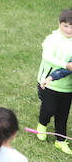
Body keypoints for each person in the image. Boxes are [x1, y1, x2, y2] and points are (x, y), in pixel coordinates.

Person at [35, 9, 72, 155]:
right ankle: (42, 124)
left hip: (67, 87)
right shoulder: (52, 39)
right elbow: (47, 57)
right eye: (65, 26)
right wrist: (65, 65)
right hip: (49, 83)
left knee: (63, 115)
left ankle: (60, 140)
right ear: (59, 24)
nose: (69, 30)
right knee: (49, 109)